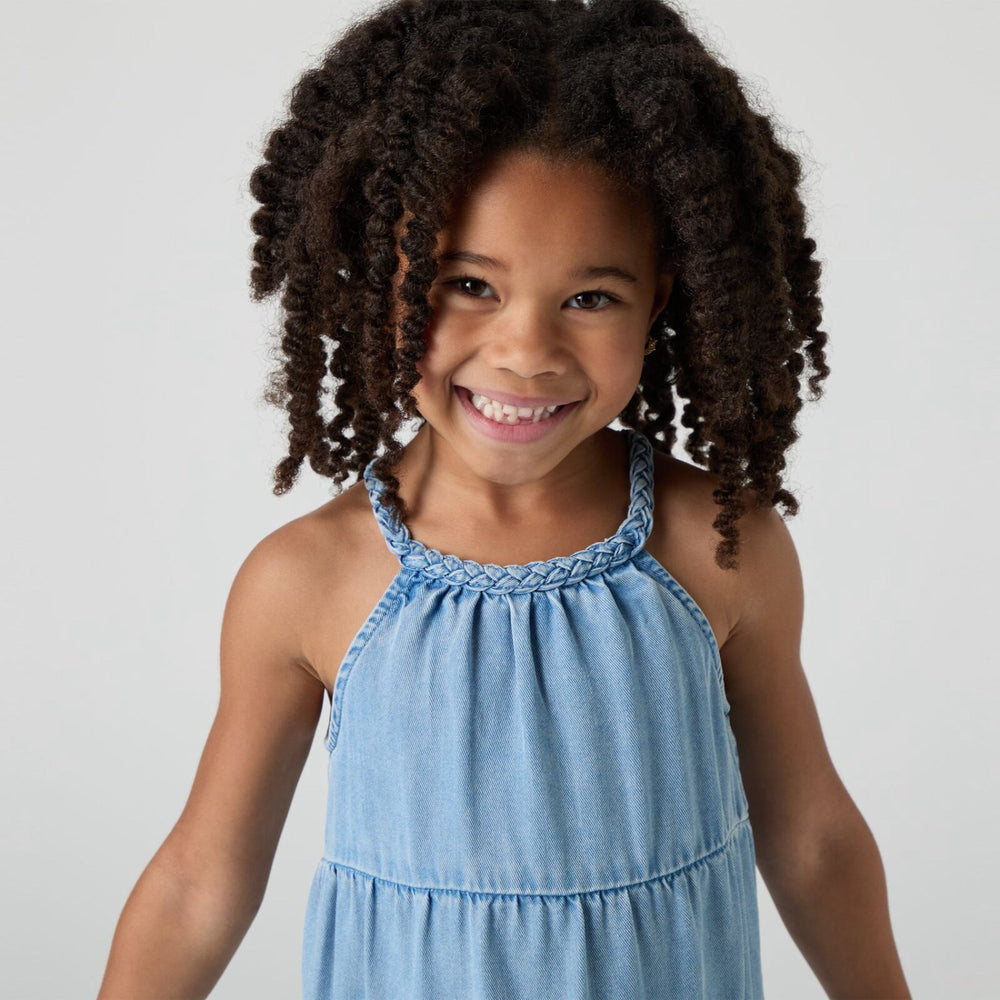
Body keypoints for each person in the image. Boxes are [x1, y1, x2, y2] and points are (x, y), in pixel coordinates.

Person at [97, 0, 911, 997]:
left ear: (661, 297)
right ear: (380, 274)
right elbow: (199, 882)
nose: (526, 351)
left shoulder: (715, 546)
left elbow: (812, 836)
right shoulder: (309, 579)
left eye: (590, 298)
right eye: (468, 284)